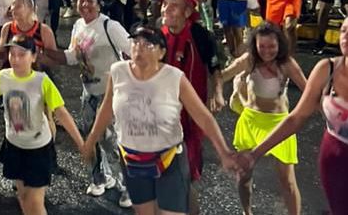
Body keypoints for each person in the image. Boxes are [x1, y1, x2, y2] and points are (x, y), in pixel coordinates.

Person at [83, 26, 239, 215]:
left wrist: (224, 152)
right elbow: (106, 109)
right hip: (132, 159)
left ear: (161, 52)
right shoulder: (118, 72)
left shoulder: (174, 78)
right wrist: (91, 140)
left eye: (148, 44)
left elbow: (203, 117)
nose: (139, 48)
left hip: (169, 158)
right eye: (135, 42)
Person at [239, 13, 348, 215]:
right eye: (344, 31)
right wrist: (254, 154)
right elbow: (296, 117)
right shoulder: (326, 69)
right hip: (335, 159)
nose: (346, 37)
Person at [0, 34, 84, 215]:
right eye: (12, 54)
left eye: (22, 54)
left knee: (35, 203)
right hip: (14, 145)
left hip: (38, 148)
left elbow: (62, 113)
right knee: (22, 197)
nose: (16, 59)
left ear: (34, 57)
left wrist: (81, 144)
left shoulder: (41, 81)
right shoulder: (2, 78)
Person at [46, 0, 132, 207]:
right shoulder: (78, 26)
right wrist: (43, 54)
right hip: (89, 93)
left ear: (99, 4)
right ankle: (100, 178)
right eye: (81, 1)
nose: (85, 5)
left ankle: (128, 188)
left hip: (110, 93)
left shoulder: (109, 26)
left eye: (90, 1)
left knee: (112, 140)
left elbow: (133, 51)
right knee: (90, 137)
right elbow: (72, 57)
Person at [220, 24, 307, 215]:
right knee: (244, 175)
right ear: (255, 45)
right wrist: (215, 93)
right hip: (251, 121)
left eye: (272, 46)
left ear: (280, 45)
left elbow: (309, 90)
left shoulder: (287, 64)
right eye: (262, 46)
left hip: (280, 124)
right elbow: (222, 76)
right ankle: (247, 212)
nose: (267, 51)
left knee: (288, 181)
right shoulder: (249, 60)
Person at [160, 0, 224, 214]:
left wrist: (218, 92)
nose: (166, 9)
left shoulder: (200, 35)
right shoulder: (158, 34)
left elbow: (215, 67)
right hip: (163, 115)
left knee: (185, 176)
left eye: (173, 6)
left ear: (188, 11)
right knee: (165, 174)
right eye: (165, 4)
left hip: (191, 117)